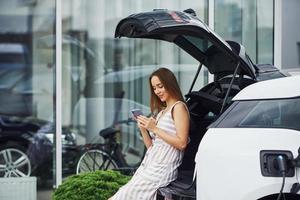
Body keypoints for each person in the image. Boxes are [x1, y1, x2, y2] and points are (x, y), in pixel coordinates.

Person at [109, 67, 190, 200]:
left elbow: (182, 143)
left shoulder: (178, 107)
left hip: (163, 168)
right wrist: (143, 128)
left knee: (122, 196)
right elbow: (152, 148)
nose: (157, 91)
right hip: (150, 164)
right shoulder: (162, 112)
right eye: (154, 88)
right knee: (122, 193)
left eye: (160, 86)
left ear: (170, 84)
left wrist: (155, 129)